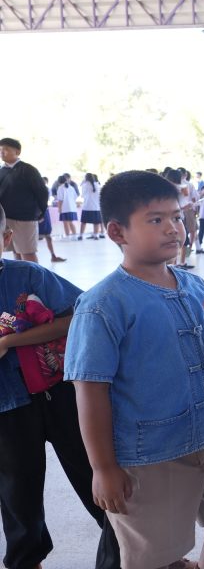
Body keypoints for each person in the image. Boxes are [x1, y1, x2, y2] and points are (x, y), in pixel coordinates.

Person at [65, 170, 204, 569]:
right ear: (117, 231)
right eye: (156, 220)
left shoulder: (196, 287)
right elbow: (90, 390)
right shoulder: (103, 305)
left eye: (176, 217)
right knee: (153, 550)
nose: (173, 228)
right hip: (149, 452)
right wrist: (103, 467)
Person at [0, 206, 121, 569]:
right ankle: (26, 560)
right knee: (17, 490)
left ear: (6, 239)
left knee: (95, 473)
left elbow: (76, 316)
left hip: (59, 394)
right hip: (6, 407)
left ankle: (134, 549)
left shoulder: (28, 275)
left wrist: (9, 342)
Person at [0, 138, 48, 263]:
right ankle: (21, 275)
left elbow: (42, 192)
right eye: (0, 150)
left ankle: (34, 275)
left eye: (6, 149)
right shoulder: (2, 171)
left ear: (17, 152)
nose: (2, 152)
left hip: (24, 219)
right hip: (5, 218)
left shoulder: (28, 170)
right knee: (15, 251)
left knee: (27, 253)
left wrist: (41, 213)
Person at [80, 173, 104, 239]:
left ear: (86, 178)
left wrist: (82, 183)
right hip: (96, 207)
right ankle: (96, 235)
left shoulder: (85, 185)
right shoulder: (98, 185)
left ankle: (81, 235)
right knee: (96, 222)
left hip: (86, 206)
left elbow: (82, 195)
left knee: (83, 222)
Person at [57, 176, 80, 240]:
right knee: (70, 222)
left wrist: (59, 208)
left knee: (65, 223)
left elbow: (60, 200)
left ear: (59, 181)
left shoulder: (60, 188)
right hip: (72, 208)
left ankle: (67, 236)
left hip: (65, 208)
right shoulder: (71, 187)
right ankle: (74, 236)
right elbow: (75, 197)